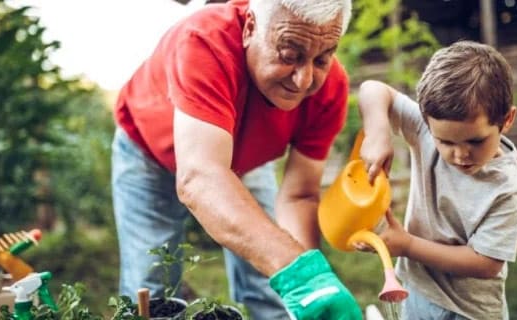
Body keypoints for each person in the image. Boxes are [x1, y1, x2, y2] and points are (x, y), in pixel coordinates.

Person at [110, 0, 362, 319]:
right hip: (149, 154)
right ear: (250, 28)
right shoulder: (203, 41)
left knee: (273, 287)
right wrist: (300, 274)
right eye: (290, 55)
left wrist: (316, 281)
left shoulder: (329, 89)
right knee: (152, 288)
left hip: (245, 163)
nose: (304, 80)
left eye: (322, 58)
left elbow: (299, 196)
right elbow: (201, 178)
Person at [356, 40, 517, 319]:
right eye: (445, 141)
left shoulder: (506, 185)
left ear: (507, 119)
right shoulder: (424, 129)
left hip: (470, 311)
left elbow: (486, 264)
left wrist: (407, 245)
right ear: (426, 119)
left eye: (475, 140)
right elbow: (372, 89)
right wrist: (378, 133)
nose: (460, 154)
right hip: (418, 292)